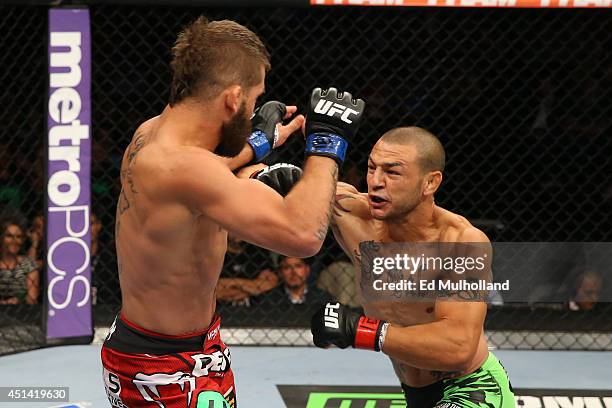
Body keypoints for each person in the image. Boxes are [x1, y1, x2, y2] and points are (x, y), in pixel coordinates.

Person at [100, 16, 365, 408]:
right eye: (255, 98)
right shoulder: (187, 168)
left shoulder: (152, 133)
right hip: (164, 366)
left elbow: (206, 166)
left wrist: (259, 142)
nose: (256, 106)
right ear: (233, 98)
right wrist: (327, 145)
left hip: (182, 346)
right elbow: (304, 235)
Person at [310, 127, 515, 408]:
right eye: (371, 168)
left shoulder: (460, 242)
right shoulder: (351, 215)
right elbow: (270, 187)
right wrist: (264, 140)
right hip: (415, 395)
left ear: (430, 183)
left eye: (392, 172)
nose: (376, 182)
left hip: (471, 390)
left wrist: (360, 329)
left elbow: (459, 347)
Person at [0, 219, 39, 305]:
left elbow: (32, 298)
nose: (14, 241)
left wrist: (20, 300)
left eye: (18, 237)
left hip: (21, 314)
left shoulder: (28, 264)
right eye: (9, 236)